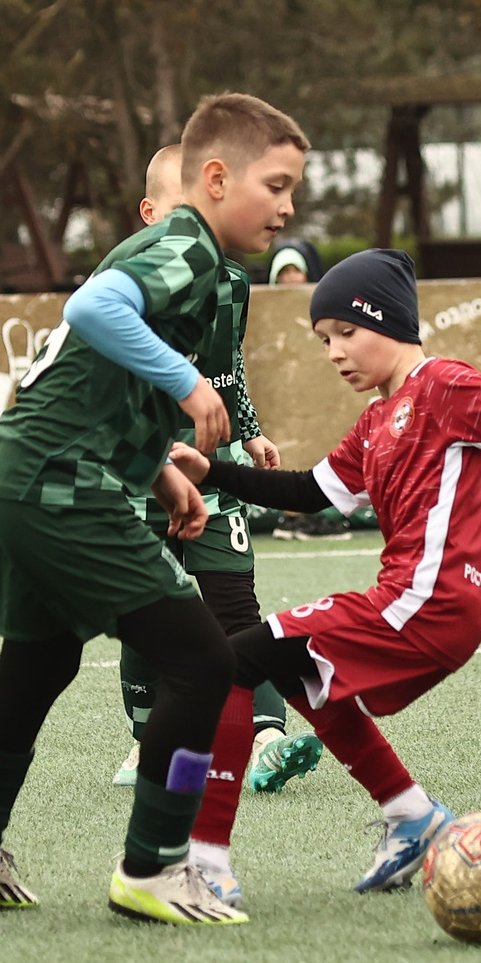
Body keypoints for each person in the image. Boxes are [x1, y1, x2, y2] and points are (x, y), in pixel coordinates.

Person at [165, 248, 481, 903]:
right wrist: (213, 473)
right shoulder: (377, 421)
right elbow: (306, 492)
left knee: (232, 661)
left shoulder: (442, 385)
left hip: (429, 602)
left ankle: (204, 863)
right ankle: (410, 816)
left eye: (346, 333)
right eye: (324, 340)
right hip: (413, 601)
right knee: (301, 675)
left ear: (389, 322)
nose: (334, 352)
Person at [0, 93, 309, 927]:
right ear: (214, 177)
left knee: (40, 662)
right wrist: (188, 384)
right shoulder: (189, 245)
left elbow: (93, 373)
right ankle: (153, 868)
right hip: (62, 482)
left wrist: (161, 472)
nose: (288, 206)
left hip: (25, 471)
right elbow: (91, 310)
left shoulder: (193, 255)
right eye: (275, 184)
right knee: (202, 662)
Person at [111, 146, 324, 799]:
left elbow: (227, 366)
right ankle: (150, 742)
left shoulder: (229, 279)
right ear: (149, 214)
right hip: (140, 470)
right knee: (147, 612)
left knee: (234, 606)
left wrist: (249, 429)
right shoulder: (124, 280)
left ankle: (263, 738)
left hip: (215, 464)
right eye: (180, 214)